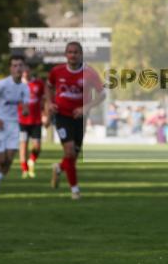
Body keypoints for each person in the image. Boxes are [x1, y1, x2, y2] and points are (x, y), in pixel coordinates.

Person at [46, 41, 105, 200]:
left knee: (73, 156)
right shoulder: (57, 71)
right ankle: (75, 190)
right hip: (62, 116)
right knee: (70, 151)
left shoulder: (90, 73)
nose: (73, 55)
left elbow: (102, 94)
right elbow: (49, 86)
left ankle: (59, 167)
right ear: (66, 54)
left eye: (76, 52)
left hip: (80, 118)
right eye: (70, 52)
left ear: (81, 55)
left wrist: (86, 108)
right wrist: (50, 103)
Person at [0, 57, 29, 192]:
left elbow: (25, 105)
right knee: (0, 159)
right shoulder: (2, 84)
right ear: (10, 68)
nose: (18, 68)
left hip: (14, 125)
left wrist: (25, 110)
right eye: (14, 66)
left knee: (8, 160)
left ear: (24, 68)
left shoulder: (25, 87)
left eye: (20, 65)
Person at [17, 65, 46, 179]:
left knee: (37, 147)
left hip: (36, 121)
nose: (25, 74)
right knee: (23, 146)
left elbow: (44, 100)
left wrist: (45, 114)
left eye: (27, 71)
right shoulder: (17, 86)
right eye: (23, 72)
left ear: (30, 72)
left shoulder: (38, 84)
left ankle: (31, 161)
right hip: (22, 122)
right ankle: (25, 170)